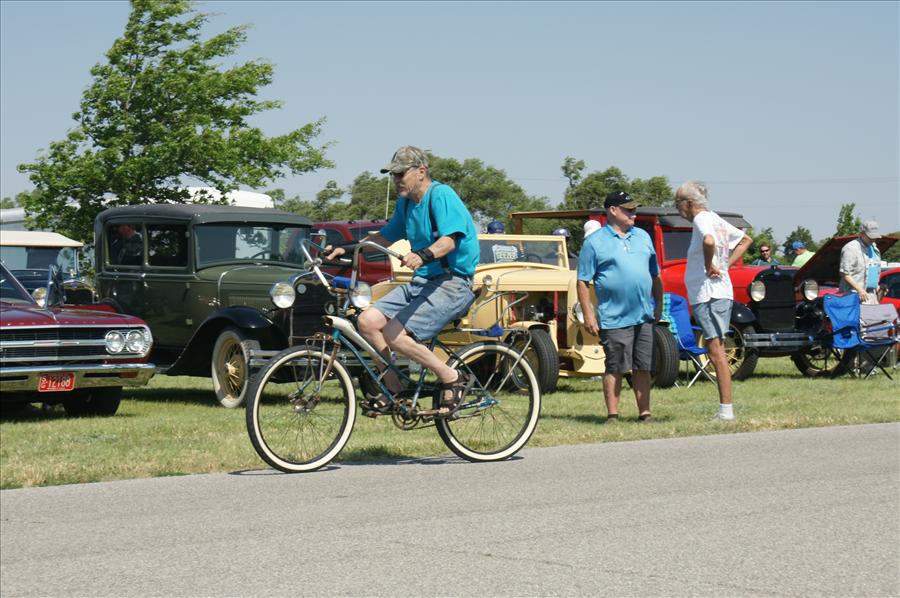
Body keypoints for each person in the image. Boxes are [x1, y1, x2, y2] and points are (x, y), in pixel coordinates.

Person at [326, 146, 479, 417]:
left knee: (394, 334)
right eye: (392, 175)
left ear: (421, 172)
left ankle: (452, 377)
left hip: (453, 283)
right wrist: (347, 248)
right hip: (423, 282)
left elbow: (449, 241)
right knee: (367, 321)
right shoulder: (406, 204)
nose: (395, 180)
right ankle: (394, 390)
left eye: (400, 174)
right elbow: (384, 238)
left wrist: (423, 255)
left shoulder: (441, 195)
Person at [577, 191, 663, 424]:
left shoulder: (643, 237)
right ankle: (612, 415)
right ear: (613, 210)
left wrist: (659, 304)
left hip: (643, 315)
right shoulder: (594, 242)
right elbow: (583, 281)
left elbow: (655, 274)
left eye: (634, 209)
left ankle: (645, 414)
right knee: (615, 366)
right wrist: (589, 315)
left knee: (643, 366)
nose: (634, 214)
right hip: (614, 316)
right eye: (629, 210)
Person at [675, 181, 752, 421]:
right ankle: (726, 409)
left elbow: (708, 241)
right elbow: (745, 240)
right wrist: (725, 266)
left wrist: (710, 265)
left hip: (707, 293)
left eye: (678, 203)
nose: (677, 208)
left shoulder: (701, 219)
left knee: (716, 351)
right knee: (717, 348)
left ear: (689, 203)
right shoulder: (715, 218)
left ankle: (726, 411)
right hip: (720, 291)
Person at [839, 220, 882, 305]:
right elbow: (844, 273)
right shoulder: (851, 248)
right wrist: (860, 290)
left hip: (872, 295)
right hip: (855, 295)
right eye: (870, 236)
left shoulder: (874, 248)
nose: (873, 239)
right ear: (862, 233)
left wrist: (877, 286)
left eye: (874, 237)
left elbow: (875, 269)